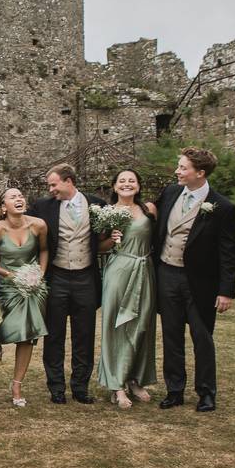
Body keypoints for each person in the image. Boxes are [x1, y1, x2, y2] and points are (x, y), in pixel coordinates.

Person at [154, 147, 235, 412]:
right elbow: (150, 216)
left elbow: (229, 253)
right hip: (167, 274)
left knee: (202, 338)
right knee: (171, 336)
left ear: (200, 173)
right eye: (178, 166)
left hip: (200, 283)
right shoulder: (170, 193)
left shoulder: (222, 207)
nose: (177, 171)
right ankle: (174, 391)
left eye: (182, 168)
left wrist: (226, 291)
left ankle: (206, 393)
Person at [28, 164, 106, 405]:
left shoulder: (97, 205)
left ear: (69, 181)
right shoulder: (43, 207)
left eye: (54, 184)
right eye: (49, 186)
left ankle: (81, 387)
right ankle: (56, 387)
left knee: (84, 335)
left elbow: (104, 238)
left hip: (86, 277)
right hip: (57, 276)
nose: (50, 189)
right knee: (54, 335)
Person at [97, 169, 158, 409]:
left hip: (144, 269)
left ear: (139, 186)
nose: (127, 184)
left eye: (132, 180)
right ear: (114, 187)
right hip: (119, 270)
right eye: (121, 181)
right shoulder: (108, 213)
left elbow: (158, 239)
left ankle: (136, 379)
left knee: (143, 324)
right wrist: (111, 238)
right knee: (117, 326)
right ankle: (117, 385)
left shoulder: (148, 210)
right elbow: (99, 247)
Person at [0, 187, 49, 407]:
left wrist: (40, 274)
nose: (19, 199)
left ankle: (16, 385)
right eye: (13, 197)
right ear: (4, 207)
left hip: (34, 285)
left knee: (29, 334)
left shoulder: (38, 225)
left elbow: (44, 250)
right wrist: (7, 273)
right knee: (20, 326)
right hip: (8, 286)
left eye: (21, 196)